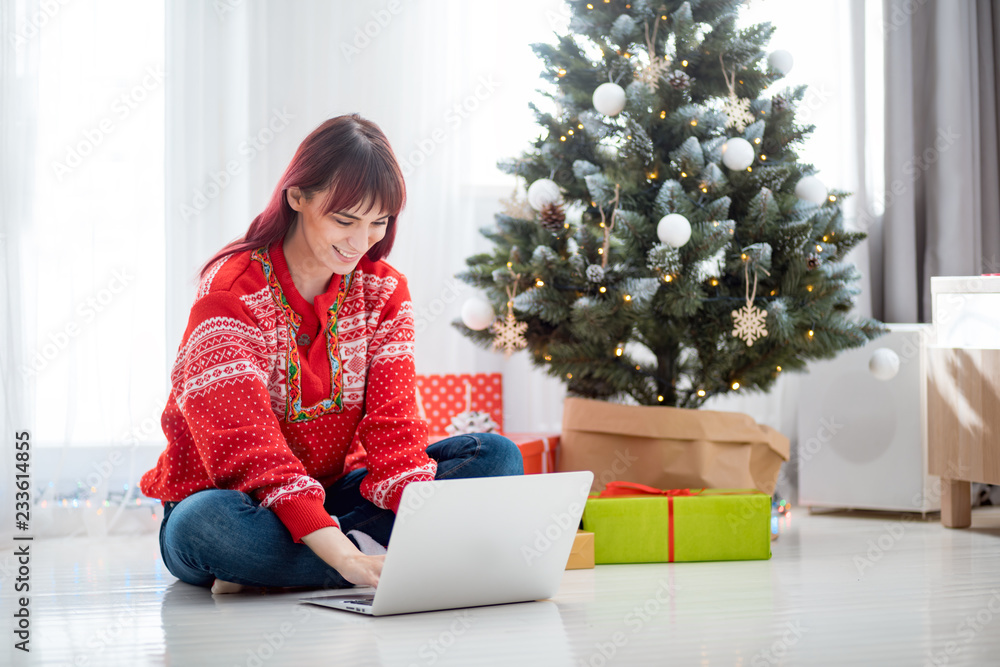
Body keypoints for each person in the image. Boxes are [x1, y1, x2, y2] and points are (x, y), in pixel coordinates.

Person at [139, 114, 523, 594]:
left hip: (337, 498)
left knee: (493, 456)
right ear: (297, 197)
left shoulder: (383, 290)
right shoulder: (230, 294)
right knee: (204, 526)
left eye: (377, 223)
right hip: (238, 502)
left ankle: (291, 567)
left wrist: (422, 513)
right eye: (344, 221)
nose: (360, 243)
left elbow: (395, 432)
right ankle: (368, 557)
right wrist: (348, 558)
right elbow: (251, 456)